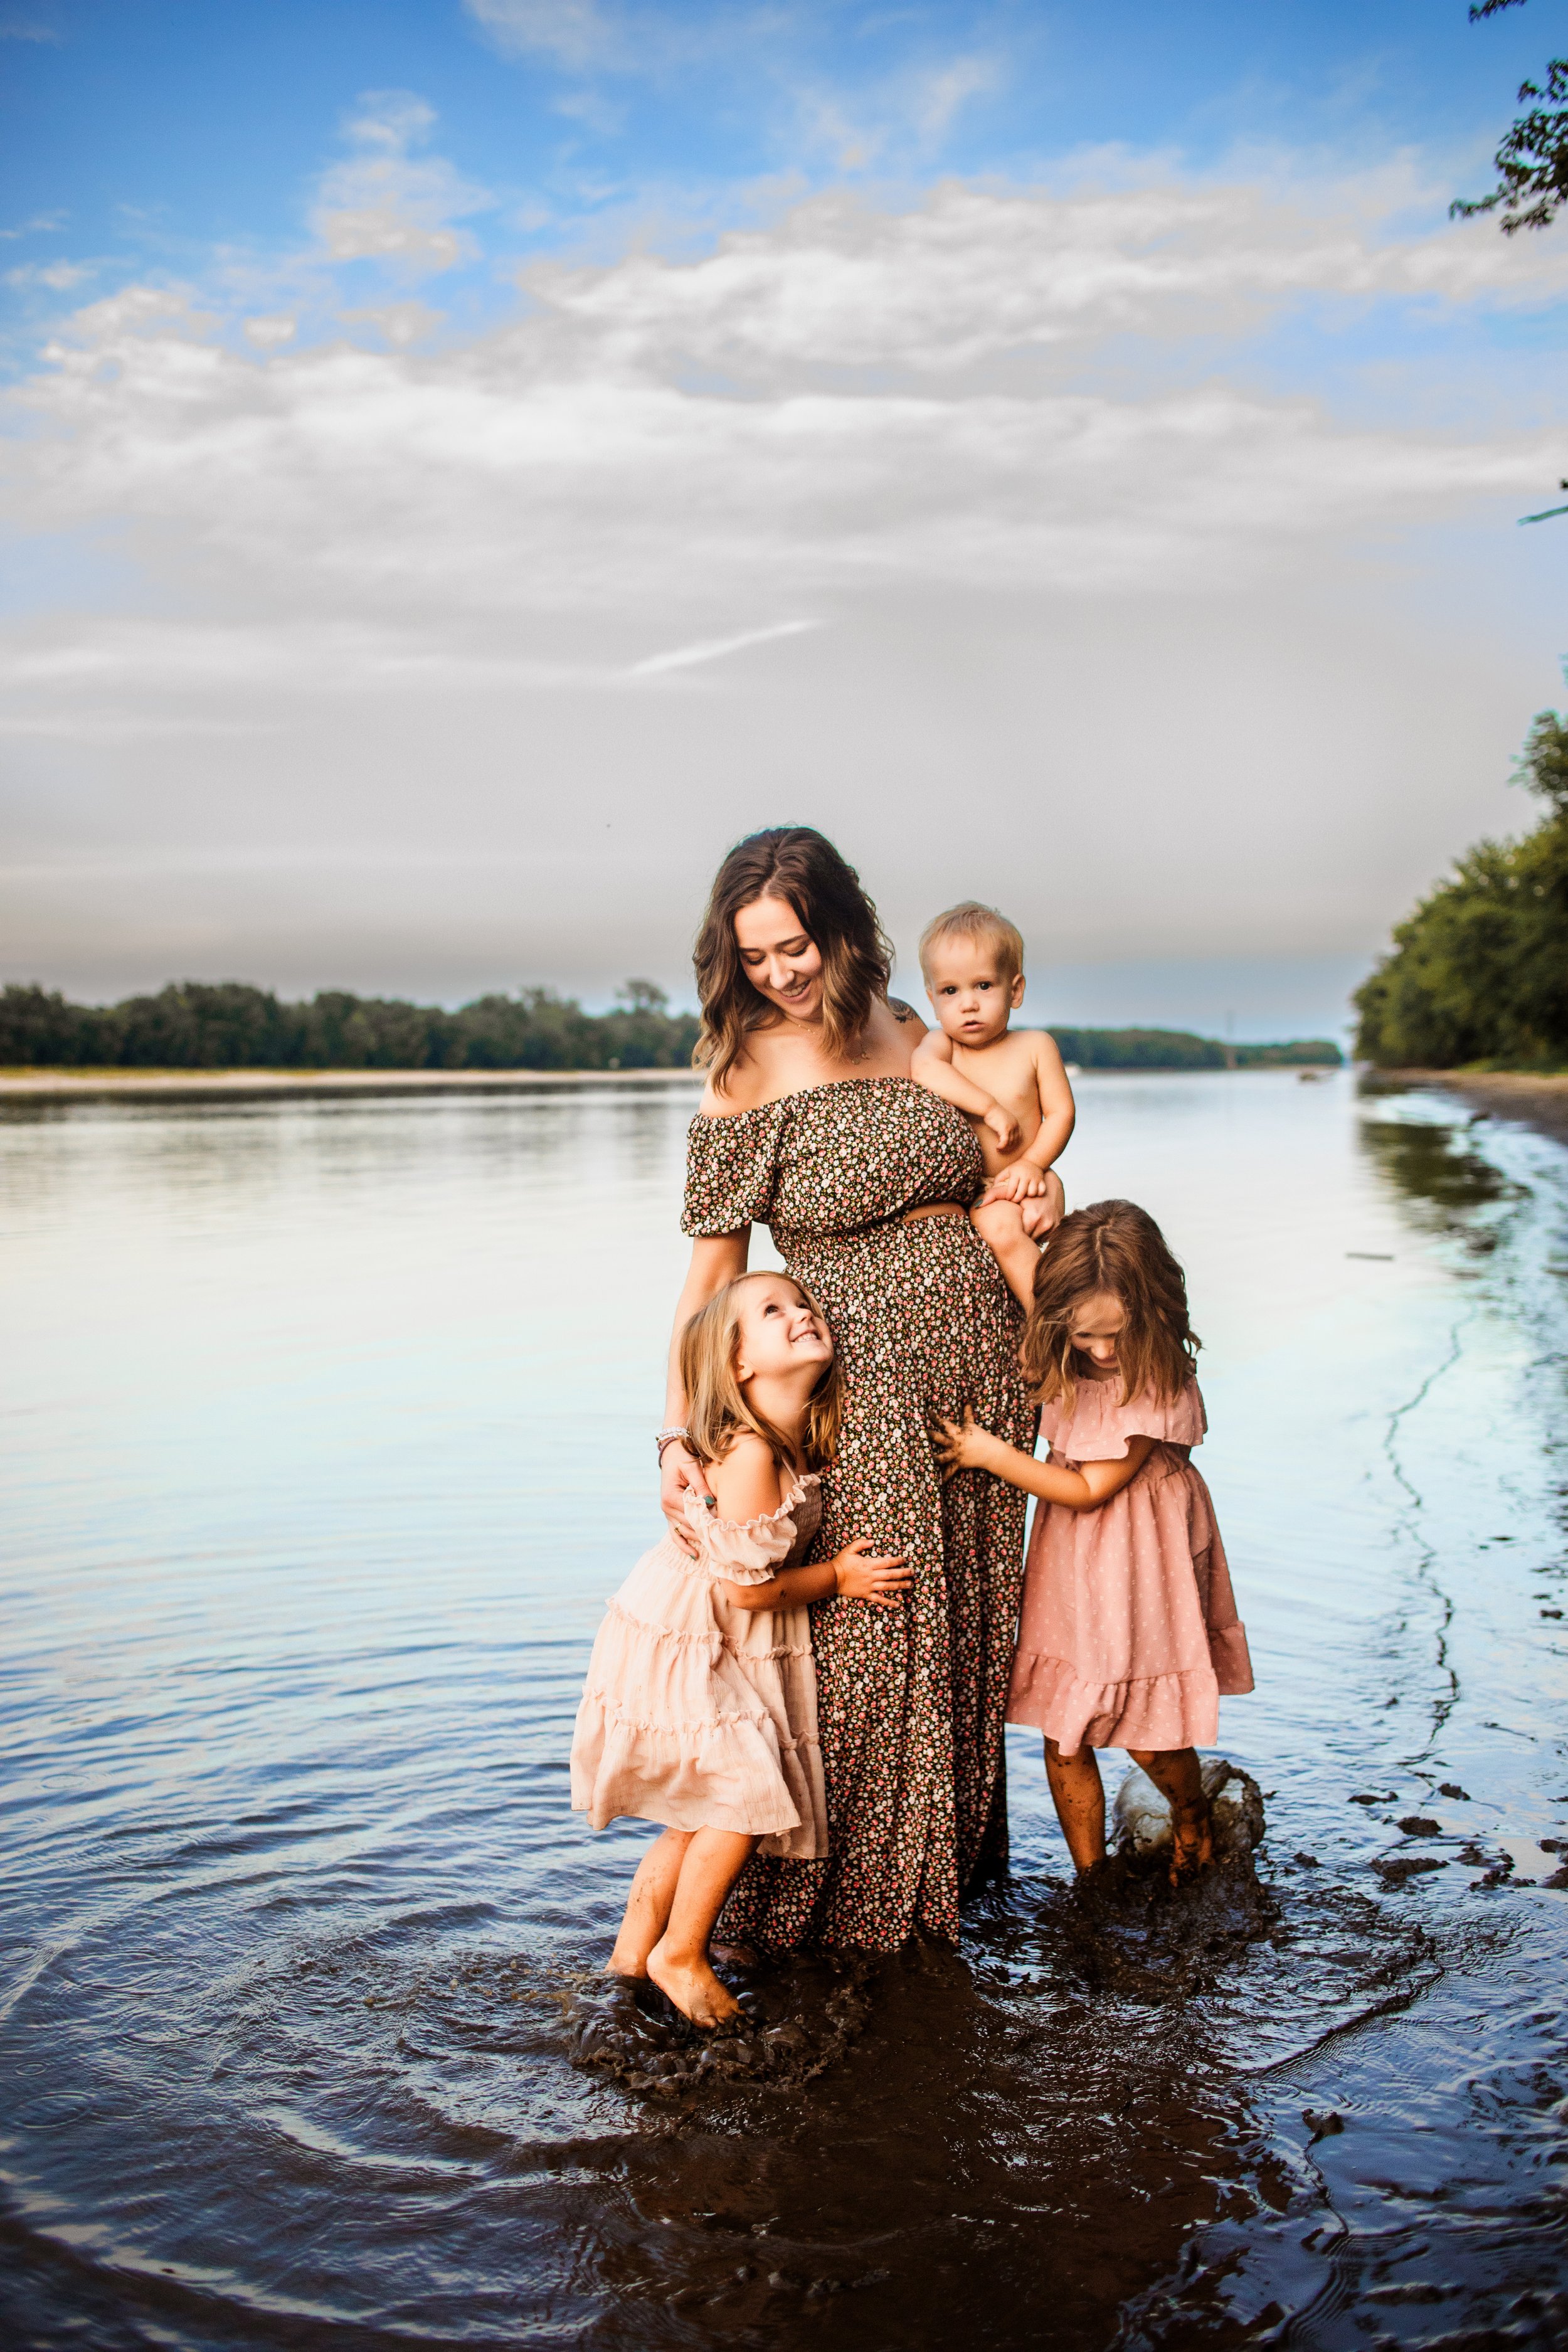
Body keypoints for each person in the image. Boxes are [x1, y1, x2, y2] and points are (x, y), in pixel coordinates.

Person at [660, 825, 1042, 1954]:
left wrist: (1039, 1188)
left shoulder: (916, 1029)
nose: (780, 974)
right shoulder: (745, 1070)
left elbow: (998, 1161)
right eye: (757, 957)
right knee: (873, 1637)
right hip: (852, 1383)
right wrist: (682, 1433)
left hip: (984, 1372)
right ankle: (832, 1916)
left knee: (968, 1629)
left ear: (841, 930)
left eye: (797, 947)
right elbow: (715, 1273)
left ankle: (954, 1894)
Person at [571, 1271, 911, 2024]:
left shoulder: (776, 1438)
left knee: (694, 1812)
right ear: (738, 1366)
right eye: (771, 1311)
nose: (799, 1315)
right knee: (745, 1795)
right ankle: (681, 1954)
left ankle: (630, 1956)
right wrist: (839, 1577)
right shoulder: (753, 1454)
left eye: (802, 1303)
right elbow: (746, 1593)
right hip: (695, 1634)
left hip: (682, 1629)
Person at [931, 1199, 1253, 1884]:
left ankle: (1190, 1814)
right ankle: (1091, 1878)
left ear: (1154, 1309)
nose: (1102, 1352)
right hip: (1073, 1554)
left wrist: (984, 1452)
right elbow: (1004, 1236)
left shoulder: (1154, 1373)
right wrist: (1027, 1182)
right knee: (1064, 1726)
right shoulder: (1070, 1314)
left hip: (1142, 1547)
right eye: (1084, 1338)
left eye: (1117, 1334)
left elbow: (1088, 1490)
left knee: (1144, 1726)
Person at [910, 901, 1076, 1308]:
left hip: (1019, 1183)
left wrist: (1034, 1164)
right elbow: (924, 1070)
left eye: (984, 986)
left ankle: (1049, 1329)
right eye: (951, 991)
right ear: (932, 1000)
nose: (968, 1003)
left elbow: (1061, 1114)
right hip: (964, 1194)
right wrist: (988, 1107)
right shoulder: (940, 1046)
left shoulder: (1035, 1046)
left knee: (1000, 1229)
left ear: (1015, 990)